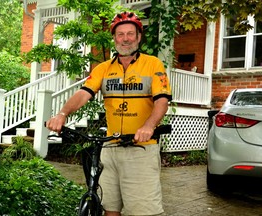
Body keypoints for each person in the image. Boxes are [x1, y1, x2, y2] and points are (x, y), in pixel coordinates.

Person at [46, 11, 172, 216]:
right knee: (109, 209)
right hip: (109, 149)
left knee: (143, 211)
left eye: (130, 34)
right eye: (120, 34)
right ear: (114, 38)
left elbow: (162, 101)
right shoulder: (104, 68)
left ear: (139, 37)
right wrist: (62, 114)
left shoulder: (152, 64)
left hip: (140, 149)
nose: (125, 39)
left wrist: (148, 126)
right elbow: (83, 94)